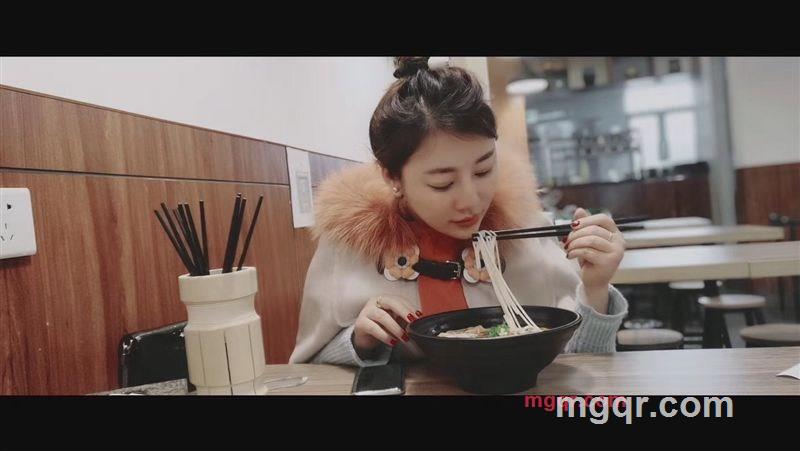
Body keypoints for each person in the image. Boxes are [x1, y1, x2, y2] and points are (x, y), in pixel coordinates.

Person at [289, 57, 627, 366]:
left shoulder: (525, 231)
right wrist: (360, 342)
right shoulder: (349, 248)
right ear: (393, 177)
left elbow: (581, 366)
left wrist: (595, 287)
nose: (471, 200)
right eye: (443, 183)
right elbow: (310, 367)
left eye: (483, 170)